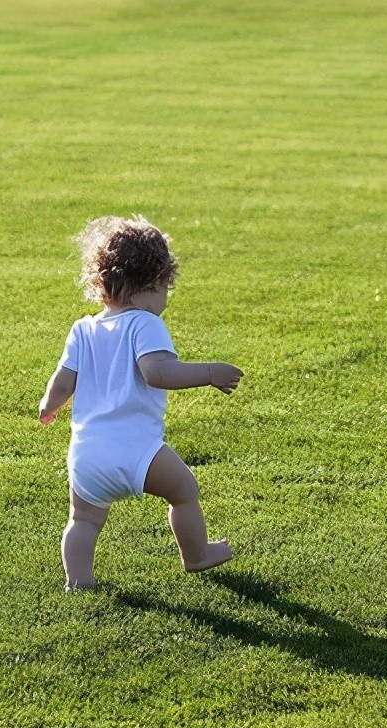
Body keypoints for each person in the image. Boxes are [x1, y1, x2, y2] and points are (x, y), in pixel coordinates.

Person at [39, 216, 243, 591]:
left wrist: (49, 406)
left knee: (83, 520)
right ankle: (197, 555)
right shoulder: (145, 324)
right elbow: (158, 373)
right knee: (184, 491)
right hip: (136, 449)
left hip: (86, 453)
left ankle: (78, 581)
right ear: (155, 282)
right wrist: (210, 372)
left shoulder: (82, 329)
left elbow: (62, 380)